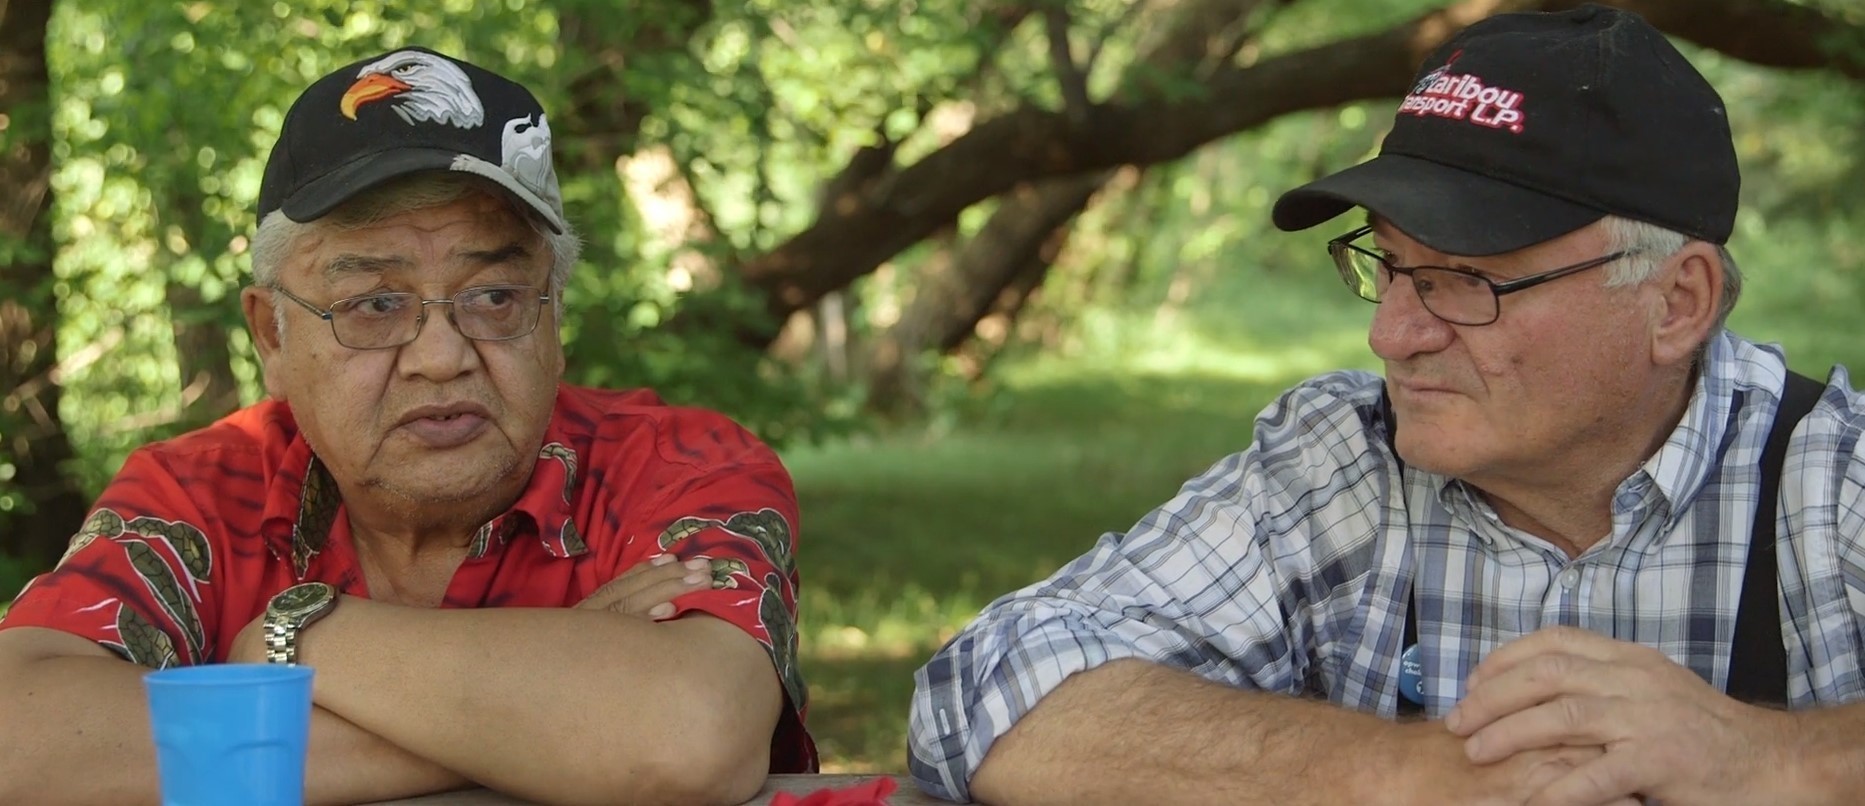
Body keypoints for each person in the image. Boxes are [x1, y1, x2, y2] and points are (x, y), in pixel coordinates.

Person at [910, 5, 1865, 805]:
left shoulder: (1829, 482)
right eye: (1389, 266)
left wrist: (1773, 758)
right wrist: (1409, 773)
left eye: (1463, 281)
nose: (1391, 336)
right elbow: (983, 689)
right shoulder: (1347, 461)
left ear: (1675, 302)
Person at [0, 47, 815, 805]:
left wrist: (301, 637)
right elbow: (21, 739)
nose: (439, 356)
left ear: (554, 316)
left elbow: (685, 732)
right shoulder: (202, 489)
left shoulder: (684, 464)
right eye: (374, 304)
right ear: (272, 338)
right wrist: (543, 718)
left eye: (494, 298)